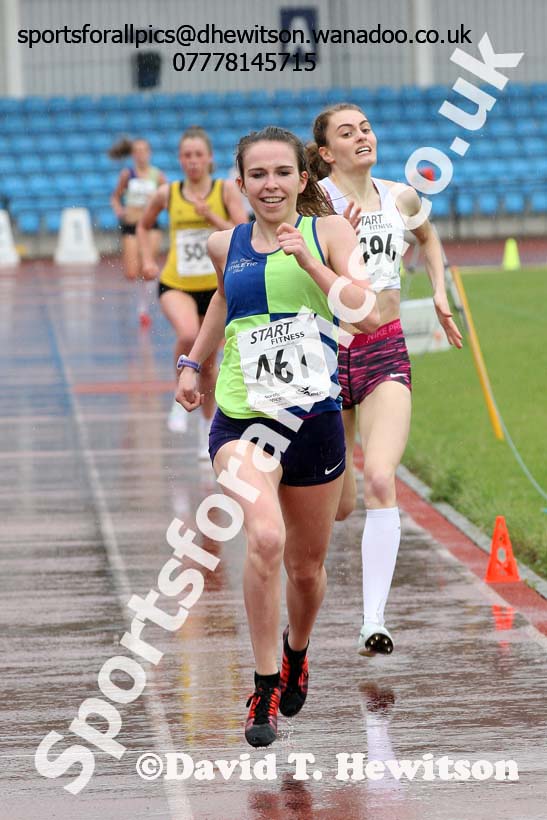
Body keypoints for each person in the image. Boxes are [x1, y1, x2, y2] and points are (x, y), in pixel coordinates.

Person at [176, 126, 380, 747]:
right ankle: (264, 682)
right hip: (243, 419)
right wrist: (193, 363)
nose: (270, 185)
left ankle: (297, 651)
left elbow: (365, 311)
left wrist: (308, 261)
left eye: (282, 173)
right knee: (264, 537)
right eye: (258, 175)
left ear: (302, 180)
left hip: (312, 422)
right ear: (240, 184)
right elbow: (222, 304)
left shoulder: (332, 233)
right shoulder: (224, 243)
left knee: (306, 569)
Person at [307, 103, 463, 657]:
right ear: (326, 151)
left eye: (367, 128)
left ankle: (374, 619)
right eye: (347, 133)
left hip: (384, 350)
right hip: (325, 356)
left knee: (380, 479)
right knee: (341, 503)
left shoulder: (401, 196)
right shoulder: (315, 203)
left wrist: (440, 291)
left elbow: (430, 239)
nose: (362, 137)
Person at [138, 126, 248, 444]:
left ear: (209, 158)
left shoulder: (224, 190)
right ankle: (178, 396)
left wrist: (211, 216)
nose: (193, 161)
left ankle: (206, 423)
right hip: (176, 283)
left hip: (217, 288)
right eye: (187, 155)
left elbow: (242, 232)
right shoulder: (168, 193)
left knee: (210, 365)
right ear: (180, 159)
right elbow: (143, 226)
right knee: (188, 335)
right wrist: (147, 260)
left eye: (199, 154)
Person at [109, 138, 166, 326]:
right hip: (132, 225)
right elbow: (115, 197)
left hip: (150, 225)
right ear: (133, 155)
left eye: (144, 150)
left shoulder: (157, 175)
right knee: (132, 272)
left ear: (149, 153)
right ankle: (141, 304)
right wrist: (120, 211)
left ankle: (143, 309)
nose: (141, 154)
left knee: (147, 269)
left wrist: (157, 200)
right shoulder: (128, 174)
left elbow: (170, 198)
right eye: (137, 151)